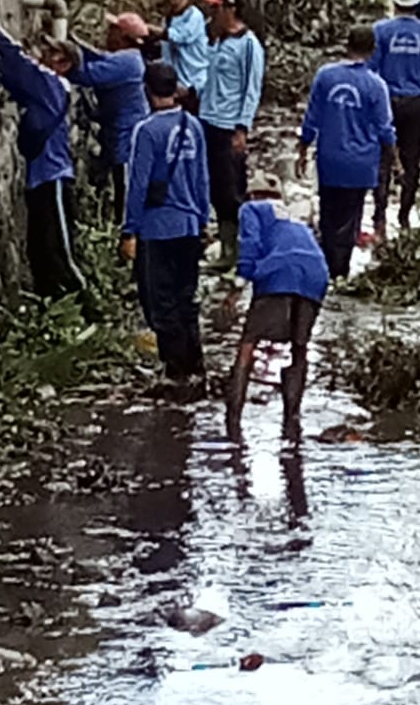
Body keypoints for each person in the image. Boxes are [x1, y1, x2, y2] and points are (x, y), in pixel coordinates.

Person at [0, 16, 86, 300]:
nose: (45, 55)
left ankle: (90, 309)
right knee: (39, 253)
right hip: (39, 179)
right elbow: (13, 75)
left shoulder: (51, 85)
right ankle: (53, 309)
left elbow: (18, 64)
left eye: (54, 53)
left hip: (53, 178)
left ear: (64, 64)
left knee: (58, 253)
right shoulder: (44, 90)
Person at [122, 62, 211, 390]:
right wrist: (203, 219)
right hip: (189, 225)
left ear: (147, 91)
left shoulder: (146, 131)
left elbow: (138, 185)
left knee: (160, 301)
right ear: (175, 89)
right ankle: (196, 365)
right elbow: (202, 177)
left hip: (158, 228)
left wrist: (128, 230)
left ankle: (175, 371)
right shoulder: (193, 125)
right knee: (185, 297)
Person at [223, 180, 330, 443]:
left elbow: (250, 245)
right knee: (299, 347)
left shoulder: (251, 208)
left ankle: (232, 419)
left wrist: (237, 285)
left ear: (253, 194)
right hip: (316, 274)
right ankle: (292, 418)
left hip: (278, 272)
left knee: (248, 344)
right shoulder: (295, 217)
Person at [298, 25, 395, 280]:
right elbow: (385, 129)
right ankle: (339, 272)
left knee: (328, 215)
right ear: (373, 51)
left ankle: (326, 270)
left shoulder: (325, 76)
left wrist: (302, 148)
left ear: (346, 45)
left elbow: (312, 118)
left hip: (329, 160)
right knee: (350, 219)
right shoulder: (376, 86)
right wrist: (394, 158)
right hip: (360, 165)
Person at [370, 0, 420, 236]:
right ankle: (404, 215)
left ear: (394, 0)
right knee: (412, 159)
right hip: (416, 103)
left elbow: (372, 70)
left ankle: (379, 217)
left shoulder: (380, 30)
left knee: (384, 158)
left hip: (386, 102)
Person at [200, 0, 265, 267]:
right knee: (214, 187)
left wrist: (242, 128)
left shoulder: (249, 45)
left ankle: (236, 250)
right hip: (208, 120)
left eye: (217, 8)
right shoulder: (216, 40)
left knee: (230, 190)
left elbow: (252, 88)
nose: (212, 13)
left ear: (231, 10)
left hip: (228, 126)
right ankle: (225, 244)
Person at [73, 13, 149, 221]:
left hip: (126, 140)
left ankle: (126, 236)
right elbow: (97, 56)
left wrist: (62, 63)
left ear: (122, 36)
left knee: (124, 189)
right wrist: (72, 41)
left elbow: (87, 74)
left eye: (112, 30)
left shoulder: (127, 62)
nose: (108, 35)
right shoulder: (127, 58)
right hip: (118, 135)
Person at [156, 0, 209, 111]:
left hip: (193, 86)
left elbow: (179, 37)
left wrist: (147, 29)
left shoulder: (194, 16)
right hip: (174, 87)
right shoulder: (167, 19)